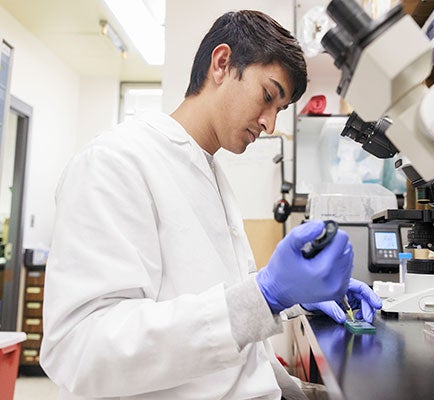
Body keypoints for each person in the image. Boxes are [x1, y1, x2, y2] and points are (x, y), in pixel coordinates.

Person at [40, 9, 382, 400]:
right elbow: (80, 350)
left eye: (280, 109)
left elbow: (224, 322)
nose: (270, 123)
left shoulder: (209, 171)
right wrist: (266, 295)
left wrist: (293, 298)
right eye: (268, 96)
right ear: (222, 64)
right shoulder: (114, 162)